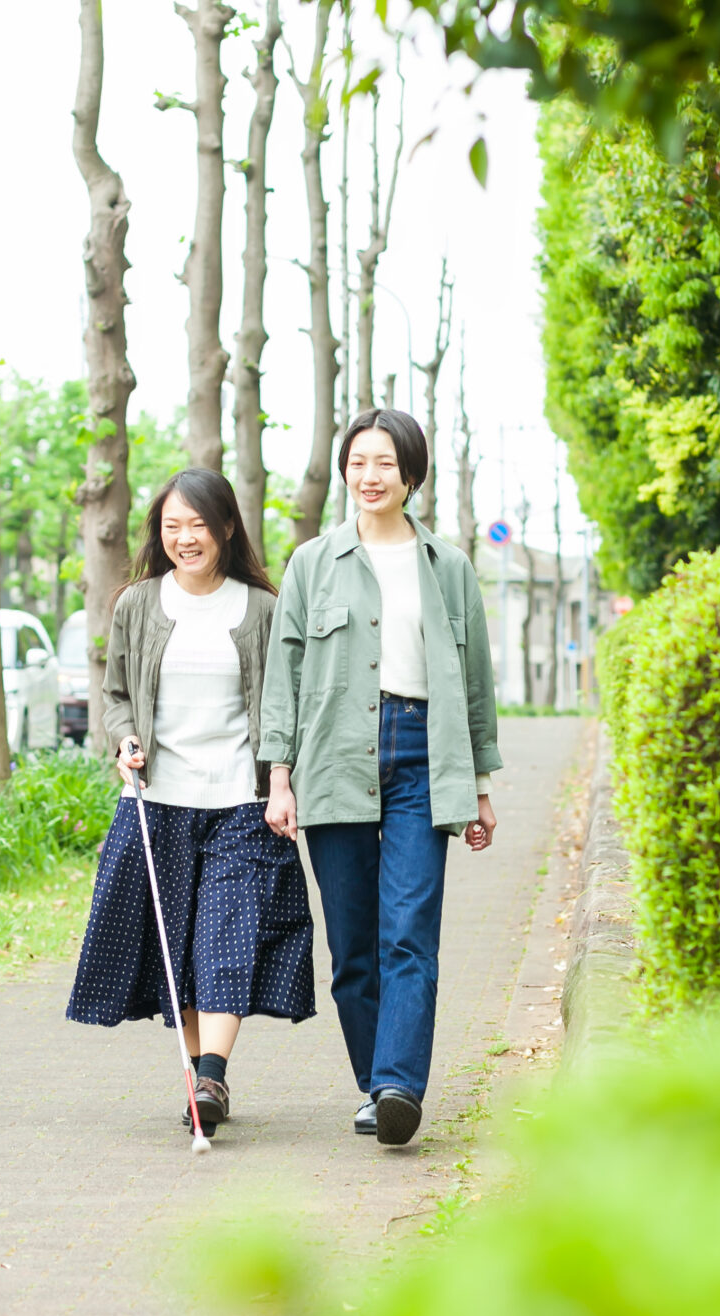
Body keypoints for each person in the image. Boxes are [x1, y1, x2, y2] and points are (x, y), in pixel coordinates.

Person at [261, 408, 502, 1147]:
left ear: (412, 476)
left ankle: (399, 1083)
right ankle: (376, 1084)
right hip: (333, 756)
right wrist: (279, 774)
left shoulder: (449, 567)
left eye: (385, 464)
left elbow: (476, 682)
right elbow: (285, 674)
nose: (370, 476)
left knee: (410, 933)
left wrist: (482, 785)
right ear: (344, 471)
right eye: (359, 462)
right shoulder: (311, 563)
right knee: (353, 946)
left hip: (423, 754)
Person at [66, 468, 314, 1139]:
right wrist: (124, 740)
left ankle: (211, 1075)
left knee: (225, 942)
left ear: (227, 527)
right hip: (159, 803)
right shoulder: (137, 604)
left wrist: (281, 781)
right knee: (178, 950)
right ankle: (200, 1077)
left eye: (197, 525)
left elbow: (284, 705)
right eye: (172, 526)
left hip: (241, 800)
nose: (184, 538)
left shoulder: (261, 609)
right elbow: (114, 694)